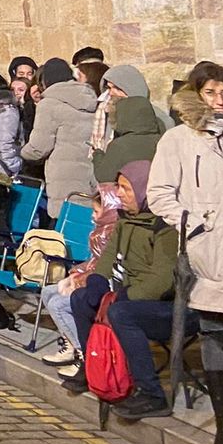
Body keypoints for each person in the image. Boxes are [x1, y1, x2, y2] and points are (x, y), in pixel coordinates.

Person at [148, 62, 223, 444]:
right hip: (209, 254)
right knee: (215, 336)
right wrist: (193, 224)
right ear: (196, 96)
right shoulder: (179, 139)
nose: (220, 100)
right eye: (210, 93)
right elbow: (160, 193)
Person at [57, 162, 177, 410]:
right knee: (81, 299)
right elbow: (108, 256)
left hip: (165, 305)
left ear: (145, 191)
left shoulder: (165, 226)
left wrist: (125, 296)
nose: (119, 194)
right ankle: (92, 368)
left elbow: (162, 281)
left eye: (126, 189)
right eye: (119, 187)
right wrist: (97, 282)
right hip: (129, 293)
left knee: (121, 313)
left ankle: (151, 393)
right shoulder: (126, 219)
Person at [21, 57, 98, 215]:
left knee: (63, 223)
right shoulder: (90, 99)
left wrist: (21, 152)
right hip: (91, 174)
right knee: (86, 222)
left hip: (64, 177)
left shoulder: (49, 104)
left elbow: (38, 148)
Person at [92, 64, 162, 183]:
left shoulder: (159, 118)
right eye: (109, 88)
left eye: (117, 88)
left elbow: (104, 175)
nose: (111, 93)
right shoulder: (107, 112)